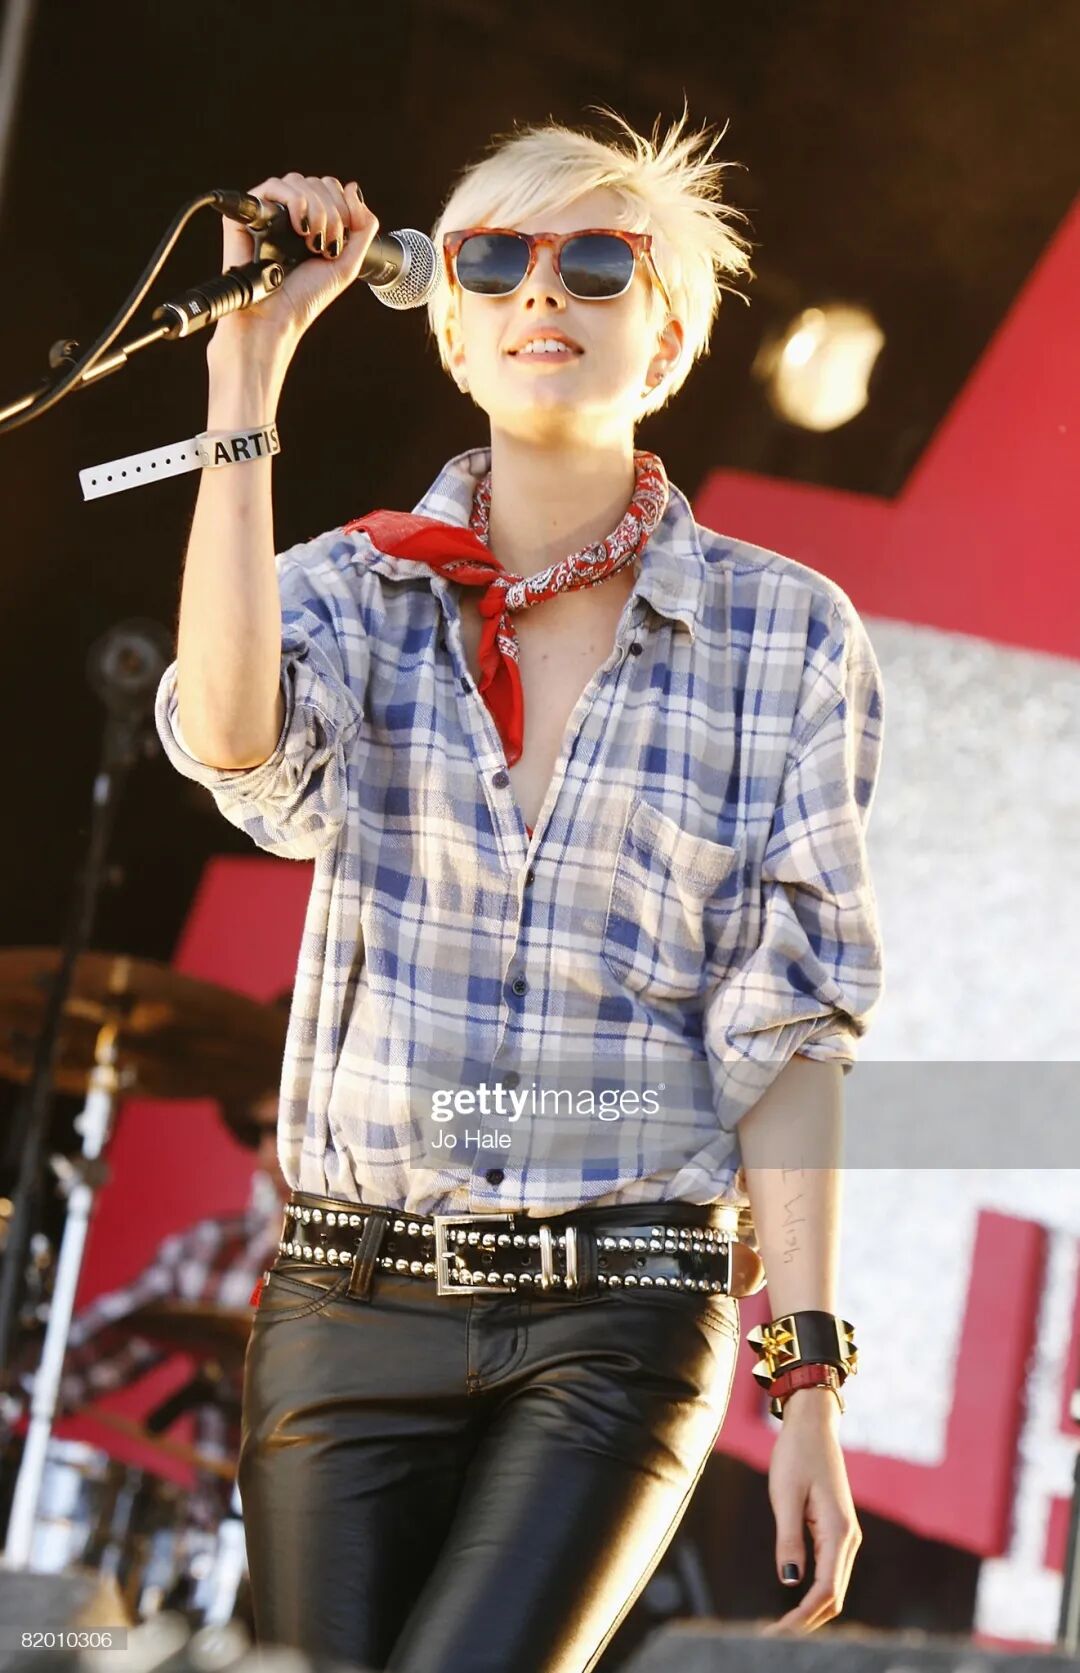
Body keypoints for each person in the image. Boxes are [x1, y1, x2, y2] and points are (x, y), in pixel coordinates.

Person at [153, 104, 885, 1672]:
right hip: (349, 1294)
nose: (541, 287)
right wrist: (245, 375)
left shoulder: (790, 638)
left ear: (667, 340)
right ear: (454, 330)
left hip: (621, 1310)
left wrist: (809, 1385)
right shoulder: (351, 586)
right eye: (493, 260)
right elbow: (230, 740)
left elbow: (792, 1031)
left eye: (596, 262)